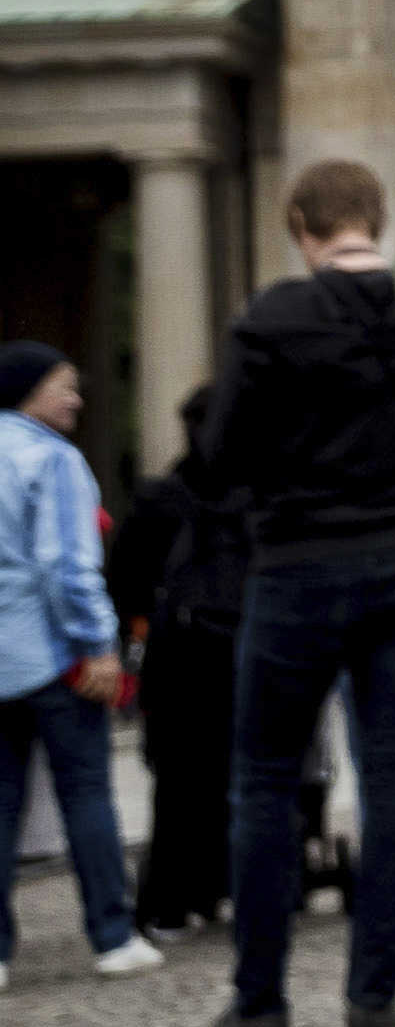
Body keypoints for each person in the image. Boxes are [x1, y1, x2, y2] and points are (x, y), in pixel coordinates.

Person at [177, 164, 395, 1027]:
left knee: (267, 780)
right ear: (379, 216)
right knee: (393, 774)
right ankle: (373, 1002)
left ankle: (260, 1005)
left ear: (299, 224)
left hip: (295, 565)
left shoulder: (270, 318)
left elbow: (221, 452)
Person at [0, 340, 149, 992]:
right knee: (86, 791)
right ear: (29, 390)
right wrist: (98, 646)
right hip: (55, 656)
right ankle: (112, 935)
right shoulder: (52, 459)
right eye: (64, 385)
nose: (77, 398)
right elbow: (66, 567)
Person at [110, 387, 248, 937]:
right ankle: (236, 887)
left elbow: (123, 579)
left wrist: (141, 625)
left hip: (178, 657)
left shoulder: (159, 498)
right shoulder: (257, 498)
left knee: (178, 778)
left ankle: (172, 899)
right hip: (241, 652)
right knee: (248, 774)